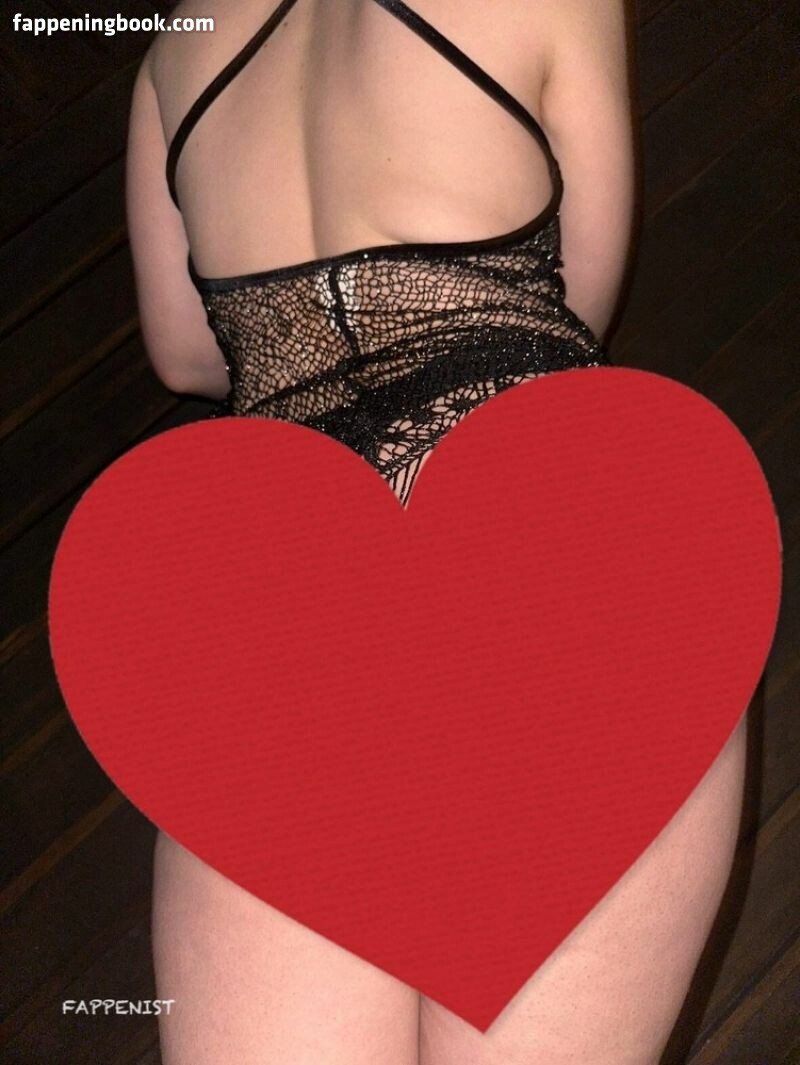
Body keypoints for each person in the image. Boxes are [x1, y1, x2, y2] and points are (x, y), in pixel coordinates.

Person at [125, 1, 749, 1061]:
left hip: (289, 587)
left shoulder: (176, 45)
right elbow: (579, 300)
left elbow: (184, 353)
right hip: (548, 524)